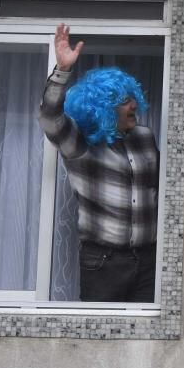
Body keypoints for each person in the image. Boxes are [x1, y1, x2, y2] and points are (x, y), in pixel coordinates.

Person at [38, 23, 159, 302]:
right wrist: (62, 71)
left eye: (132, 98)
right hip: (103, 261)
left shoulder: (145, 138)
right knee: (100, 340)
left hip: (148, 259)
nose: (133, 106)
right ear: (103, 108)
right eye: (124, 101)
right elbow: (49, 118)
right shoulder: (81, 144)